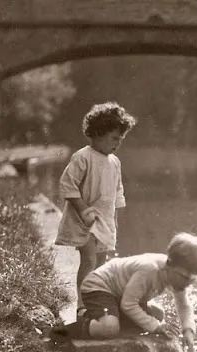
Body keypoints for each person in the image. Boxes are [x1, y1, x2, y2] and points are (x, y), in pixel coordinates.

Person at [51, 232, 197, 352]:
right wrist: (155, 326)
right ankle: (74, 327)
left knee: (158, 314)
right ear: (169, 264)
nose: (187, 284)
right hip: (99, 286)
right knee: (110, 328)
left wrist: (188, 331)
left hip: (120, 294)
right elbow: (128, 304)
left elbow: (184, 305)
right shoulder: (150, 271)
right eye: (184, 277)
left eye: (193, 280)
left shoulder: (175, 277)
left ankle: (109, 316)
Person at [54, 102, 137, 315]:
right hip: (85, 221)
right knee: (89, 260)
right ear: (98, 134)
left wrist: (114, 220)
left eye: (120, 139)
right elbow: (67, 185)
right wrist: (83, 209)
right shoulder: (83, 157)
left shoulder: (114, 162)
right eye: (114, 138)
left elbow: (117, 192)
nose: (118, 143)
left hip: (104, 220)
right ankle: (82, 305)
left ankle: (98, 301)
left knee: (101, 263)